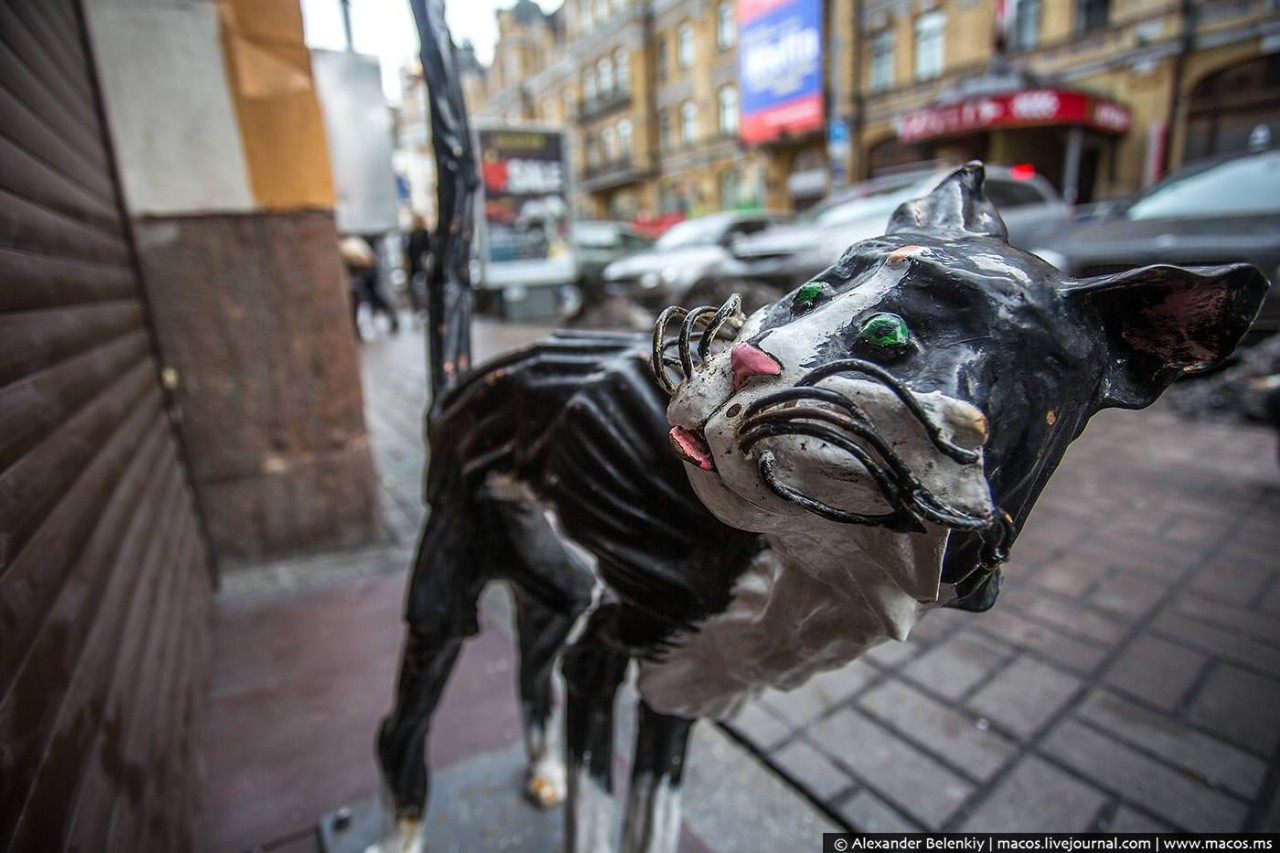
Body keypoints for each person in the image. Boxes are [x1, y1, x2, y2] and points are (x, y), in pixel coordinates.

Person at [341, 235, 399, 340]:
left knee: (373, 299)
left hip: (367, 278)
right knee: (364, 301)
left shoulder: (359, 245)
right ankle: (358, 330)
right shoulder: (355, 245)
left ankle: (390, 319)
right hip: (361, 280)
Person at [404, 215, 432, 319]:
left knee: (422, 290)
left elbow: (428, 249)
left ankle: (424, 309)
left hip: (421, 267)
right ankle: (419, 309)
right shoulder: (412, 234)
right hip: (414, 267)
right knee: (415, 290)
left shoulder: (424, 234)